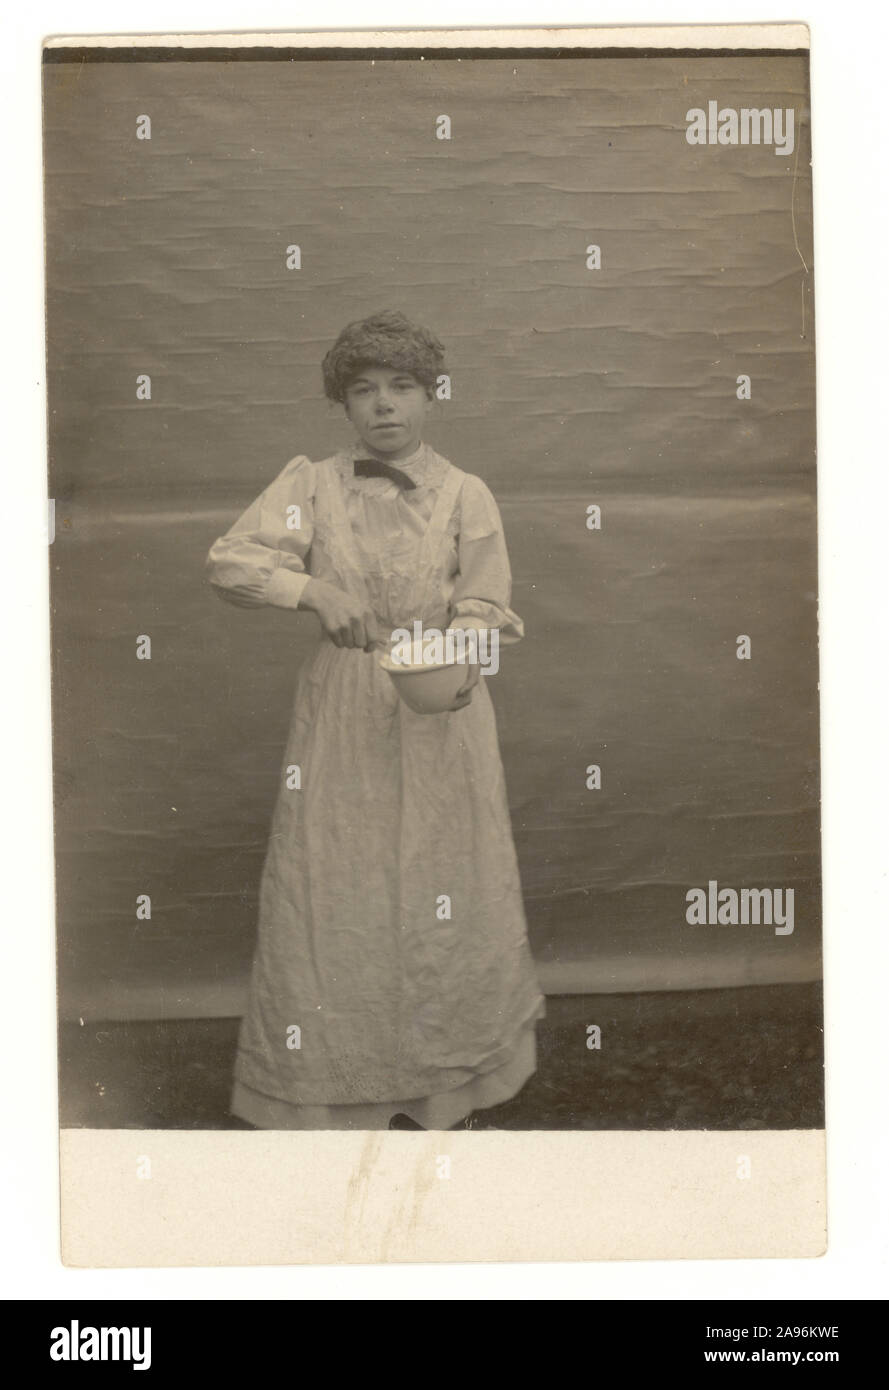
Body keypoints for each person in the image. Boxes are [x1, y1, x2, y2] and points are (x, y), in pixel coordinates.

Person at [206, 309, 546, 1129]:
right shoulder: (312, 485)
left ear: (431, 397)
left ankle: (446, 1079)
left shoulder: (465, 494)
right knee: (337, 880)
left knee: (442, 876)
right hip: (343, 710)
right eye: (363, 391)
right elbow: (229, 561)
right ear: (343, 405)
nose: (383, 406)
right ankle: (332, 1087)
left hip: (440, 707)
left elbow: (487, 600)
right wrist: (312, 589)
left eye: (401, 388)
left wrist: (461, 654)